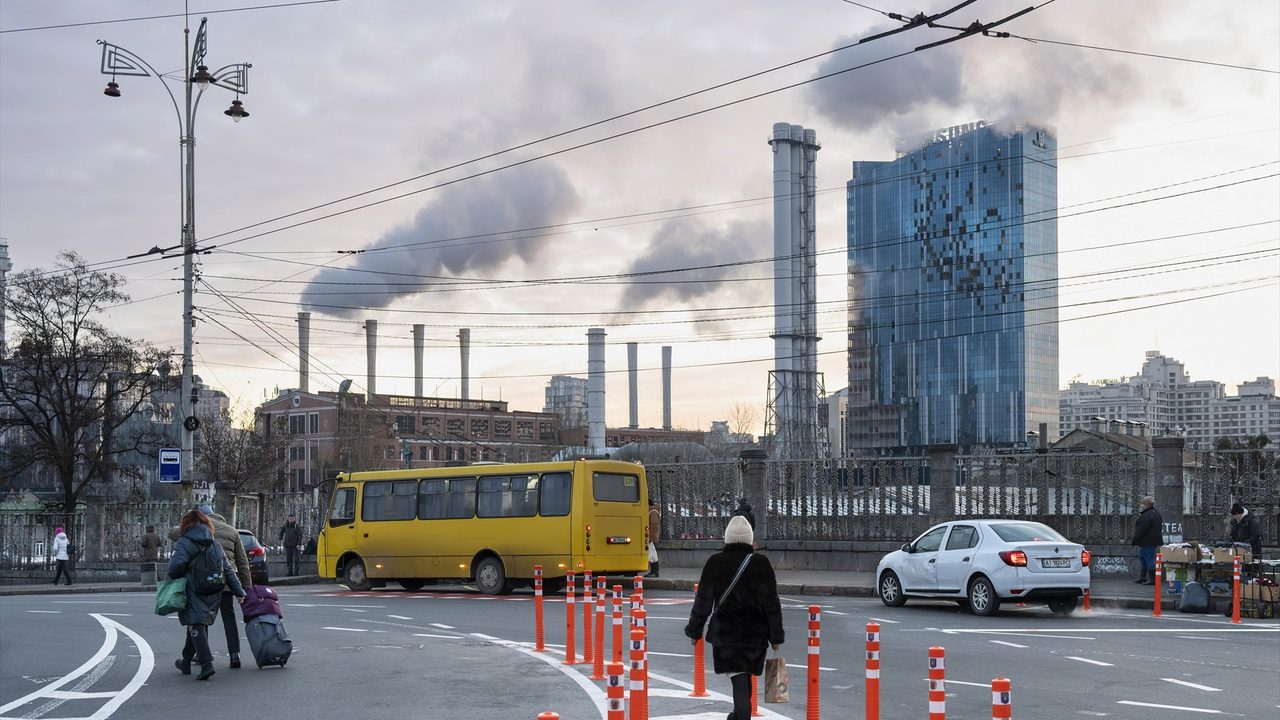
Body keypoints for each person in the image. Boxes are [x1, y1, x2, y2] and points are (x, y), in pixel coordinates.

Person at [684, 515, 784, 720]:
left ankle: (741, 715)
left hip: (726, 633)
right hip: (755, 634)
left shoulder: (715, 563)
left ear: (727, 538)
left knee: (738, 676)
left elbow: (703, 601)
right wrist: (776, 636)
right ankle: (737, 715)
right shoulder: (761, 563)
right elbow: (772, 603)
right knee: (744, 675)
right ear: (749, 538)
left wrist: (695, 630)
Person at [168, 510, 245, 681]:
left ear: (186, 524)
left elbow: (174, 568)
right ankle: (186, 661)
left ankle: (206, 664)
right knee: (196, 623)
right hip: (214, 589)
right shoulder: (215, 544)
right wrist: (239, 592)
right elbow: (228, 570)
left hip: (192, 589)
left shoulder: (184, 542)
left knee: (196, 624)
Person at [1130, 496, 1162, 585]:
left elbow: (1141, 530)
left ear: (1146, 505)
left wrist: (1134, 540)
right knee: (1143, 558)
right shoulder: (1155, 513)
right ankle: (1143, 577)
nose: (1141, 506)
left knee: (1148, 559)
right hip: (1151, 541)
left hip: (1147, 541)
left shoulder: (1147, 515)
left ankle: (1152, 579)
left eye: (1142, 504)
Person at [646, 501, 662, 578]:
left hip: (651, 537)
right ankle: (654, 571)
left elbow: (654, 526)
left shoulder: (653, 512)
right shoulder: (652, 511)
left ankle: (654, 572)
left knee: (652, 554)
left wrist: (650, 537)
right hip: (651, 536)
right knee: (653, 554)